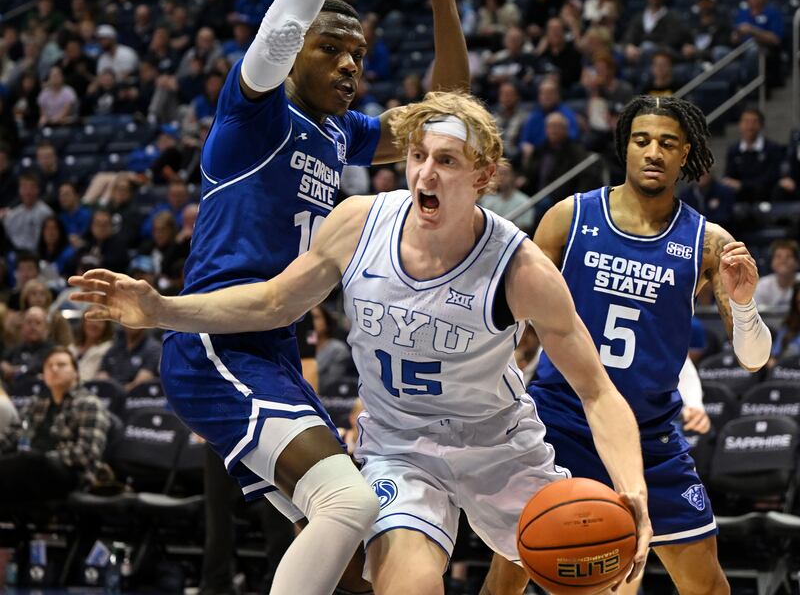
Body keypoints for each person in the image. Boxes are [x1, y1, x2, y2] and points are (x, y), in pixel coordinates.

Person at [71, 90, 652, 595]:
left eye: (446, 162)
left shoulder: (519, 268)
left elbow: (597, 392)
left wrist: (632, 491)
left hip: (499, 447)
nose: (425, 174)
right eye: (418, 156)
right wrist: (161, 309)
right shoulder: (358, 222)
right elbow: (272, 301)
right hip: (400, 448)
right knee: (409, 584)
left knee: (604, 565)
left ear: (484, 175)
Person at [83, 0, 469, 594]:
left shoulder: (341, 133)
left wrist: (443, 2)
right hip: (217, 343)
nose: (349, 66)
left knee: (354, 565)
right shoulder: (252, 115)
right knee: (348, 501)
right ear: (294, 55)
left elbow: (447, 112)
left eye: (358, 56)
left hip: (276, 351)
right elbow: (285, 20)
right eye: (332, 49)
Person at [486, 95, 771, 595]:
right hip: (562, 423)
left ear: (686, 154)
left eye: (667, 143)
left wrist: (745, 304)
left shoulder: (710, 243)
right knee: (510, 572)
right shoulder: (568, 218)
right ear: (625, 147)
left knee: (708, 586)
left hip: (652, 436)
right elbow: (514, 327)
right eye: (642, 140)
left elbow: (753, 359)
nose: (653, 152)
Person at [0, 346, 110, 504]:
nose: (54, 369)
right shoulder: (37, 403)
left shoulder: (89, 403)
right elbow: (12, 434)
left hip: (70, 474)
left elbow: (87, 453)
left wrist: (47, 457)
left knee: (28, 459)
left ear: (76, 373)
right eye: (49, 366)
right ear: (43, 375)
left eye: (61, 365)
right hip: (30, 469)